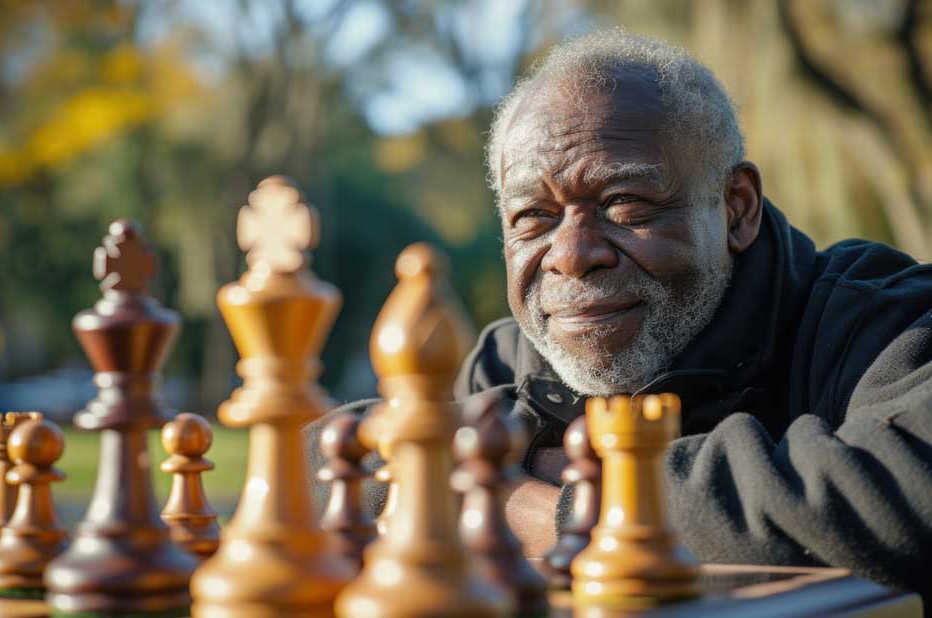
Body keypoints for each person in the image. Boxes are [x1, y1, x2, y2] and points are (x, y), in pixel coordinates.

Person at [305, 29, 932, 598]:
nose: (573, 257)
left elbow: (911, 487)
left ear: (736, 208)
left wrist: (552, 508)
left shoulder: (877, 318)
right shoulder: (512, 357)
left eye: (624, 203)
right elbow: (313, 462)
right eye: (533, 219)